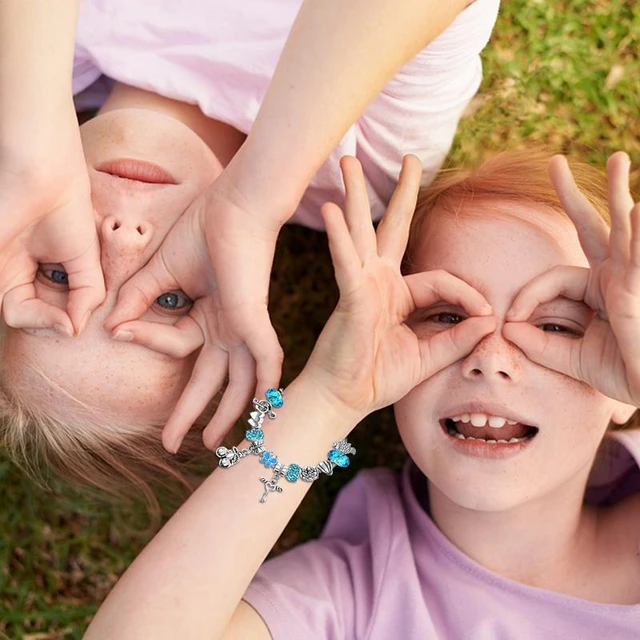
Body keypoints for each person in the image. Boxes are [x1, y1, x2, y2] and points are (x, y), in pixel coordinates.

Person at [83, 149, 640, 639]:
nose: (490, 359)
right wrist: (328, 400)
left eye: (556, 328)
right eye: (445, 316)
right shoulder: (358, 597)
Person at [0, 0, 499, 497]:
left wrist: (28, 149)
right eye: (168, 300)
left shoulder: (26, 69)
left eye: (59, 274)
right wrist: (254, 197)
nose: (120, 240)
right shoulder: (360, 160)